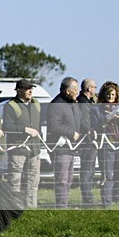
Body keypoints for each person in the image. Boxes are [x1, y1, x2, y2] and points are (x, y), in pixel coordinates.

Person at [91, 81, 119, 208]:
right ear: (104, 95)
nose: (110, 97)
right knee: (107, 175)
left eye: (113, 94)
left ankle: (118, 199)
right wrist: (105, 121)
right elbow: (94, 127)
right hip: (106, 146)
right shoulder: (97, 109)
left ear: (116, 95)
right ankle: (106, 203)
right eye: (108, 94)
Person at [3, 79, 42, 209]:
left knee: (33, 182)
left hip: (35, 149)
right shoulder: (11, 105)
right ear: (19, 90)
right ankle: (15, 209)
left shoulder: (36, 104)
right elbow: (6, 126)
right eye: (27, 89)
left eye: (31, 88)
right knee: (15, 182)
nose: (30, 91)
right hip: (18, 149)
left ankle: (32, 209)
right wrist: (24, 129)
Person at [47, 77, 83, 209]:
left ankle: (65, 205)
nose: (78, 92)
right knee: (62, 180)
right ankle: (61, 207)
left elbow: (80, 120)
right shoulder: (56, 105)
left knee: (69, 179)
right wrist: (71, 133)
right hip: (60, 148)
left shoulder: (74, 103)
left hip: (72, 147)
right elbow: (53, 126)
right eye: (76, 90)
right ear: (68, 91)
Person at [76, 78, 98, 206]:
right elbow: (84, 120)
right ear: (89, 88)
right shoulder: (83, 103)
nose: (95, 89)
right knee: (87, 169)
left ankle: (88, 195)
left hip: (90, 139)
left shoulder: (88, 101)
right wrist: (89, 131)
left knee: (90, 169)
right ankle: (87, 197)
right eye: (94, 87)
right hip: (87, 140)